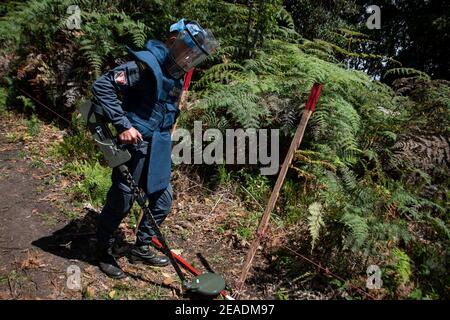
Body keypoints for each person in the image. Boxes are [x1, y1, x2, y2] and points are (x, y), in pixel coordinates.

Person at [91, 19, 218, 279]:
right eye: (187, 49)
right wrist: (123, 124)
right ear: (173, 41)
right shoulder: (144, 65)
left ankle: (142, 246)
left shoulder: (175, 74)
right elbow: (102, 86)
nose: (189, 58)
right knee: (122, 201)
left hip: (158, 145)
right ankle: (102, 250)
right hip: (134, 146)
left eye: (194, 55)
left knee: (162, 200)